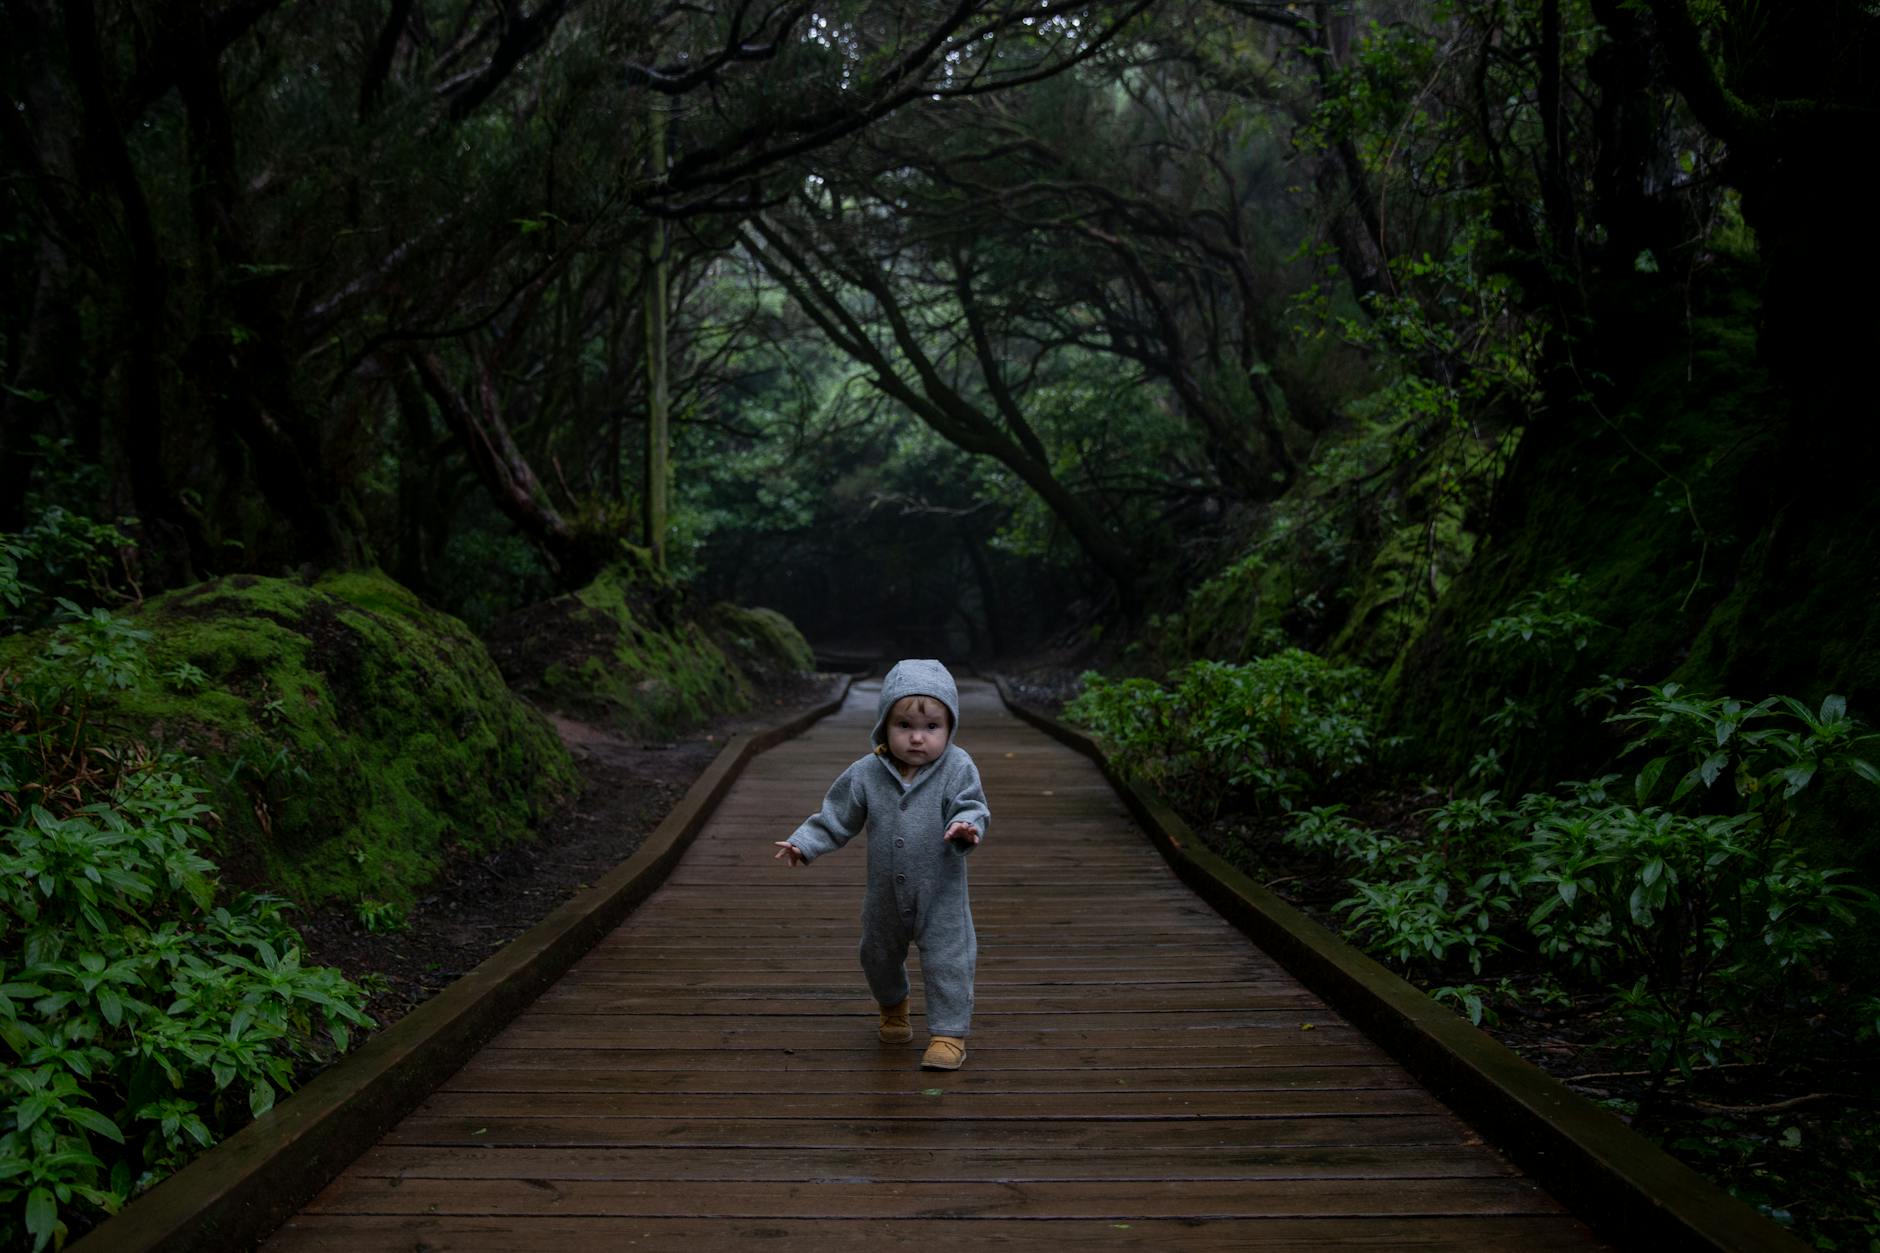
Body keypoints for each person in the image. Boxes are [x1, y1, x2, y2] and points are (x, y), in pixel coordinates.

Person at [774, 659, 988, 1070]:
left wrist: (966, 826)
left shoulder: (957, 767)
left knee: (949, 961)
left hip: (940, 893)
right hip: (884, 894)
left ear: (950, 728)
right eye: (904, 726)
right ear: (884, 725)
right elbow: (836, 816)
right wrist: (804, 843)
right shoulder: (867, 773)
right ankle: (893, 1005)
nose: (917, 739)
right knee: (876, 955)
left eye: (931, 728)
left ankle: (948, 1032)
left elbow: (972, 805)